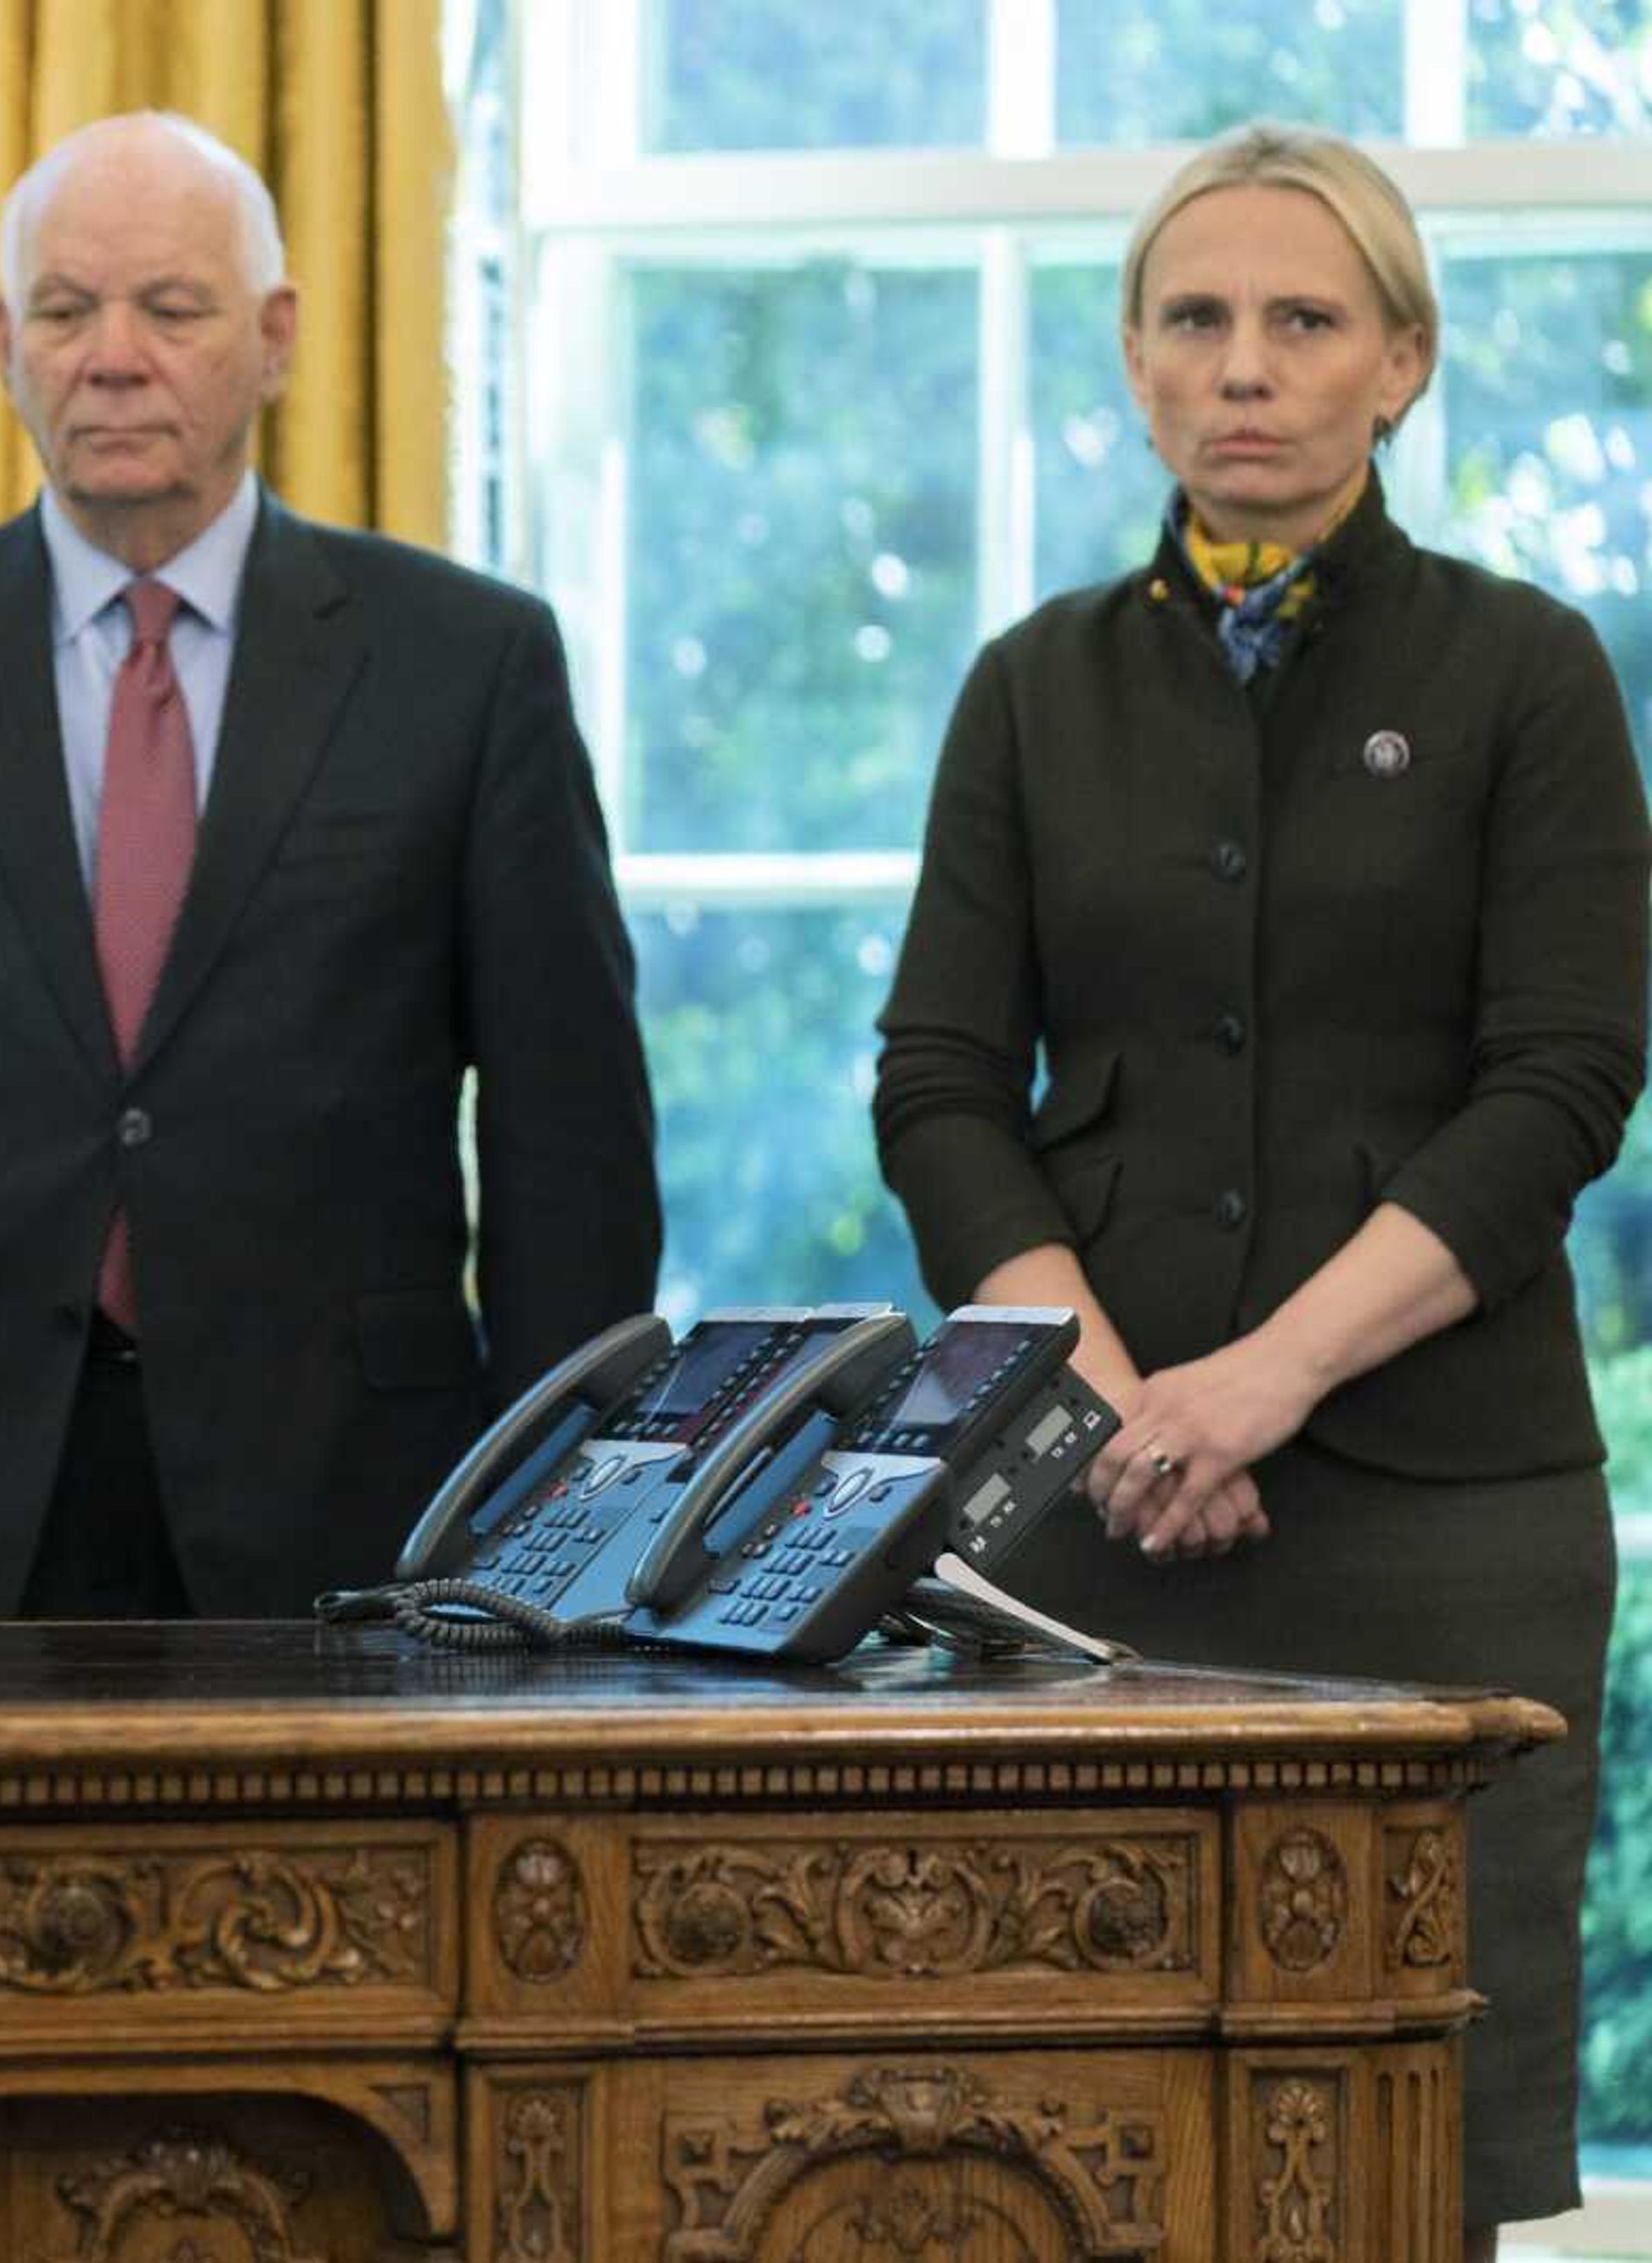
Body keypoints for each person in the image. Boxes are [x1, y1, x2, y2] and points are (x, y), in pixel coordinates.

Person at [874, 122, 1646, 2245]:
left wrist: (1263, 1386)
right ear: (1133, 368)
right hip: (1091, 1526)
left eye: (1305, 321)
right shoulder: (1033, 688)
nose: (1247, 365)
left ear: (1401, 364)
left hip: (1443, 1536)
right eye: (1197, 320)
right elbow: (939, 1083)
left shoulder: (1526, 674)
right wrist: (1120, 1409)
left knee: (1408, 2162)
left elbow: (1565, 1083)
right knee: (1067, 2144)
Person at [0, 111, 659, 1621]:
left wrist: (553, 1533)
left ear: (274, 337)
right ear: (4, 340)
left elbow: (568, 1148)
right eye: (64, 311)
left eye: (170, 309)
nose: (111, 355)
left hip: (361, 1507)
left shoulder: (465, 665)